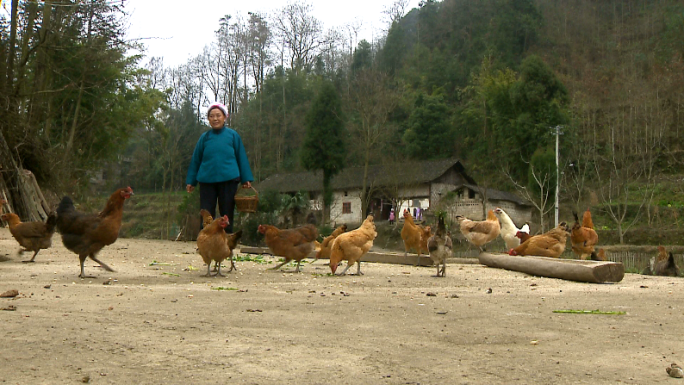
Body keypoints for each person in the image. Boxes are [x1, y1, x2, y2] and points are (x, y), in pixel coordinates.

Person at [186, 102, 253, 233]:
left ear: (225, 117)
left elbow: (241, 157)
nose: (215, 119)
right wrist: (191, 181)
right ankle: (206, 240)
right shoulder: (204, 138)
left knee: (227, 212)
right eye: (211, 116)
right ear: (208, 119)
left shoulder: (233, 135)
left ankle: (226, 241)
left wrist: (246, 179)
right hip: (207, 180)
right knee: (206, 213)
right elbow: (196, 160)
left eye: (218, 115)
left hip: (229, 179)